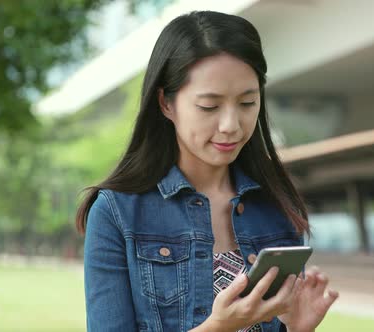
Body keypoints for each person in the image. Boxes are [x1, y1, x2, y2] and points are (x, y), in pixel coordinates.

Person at [76, 11, 338, 332]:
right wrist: (219, 327)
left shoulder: (278, 208)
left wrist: (298, 329)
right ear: (166, 103)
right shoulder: (116, 213)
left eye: (247, 103)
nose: (230, 126)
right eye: (209, 106)